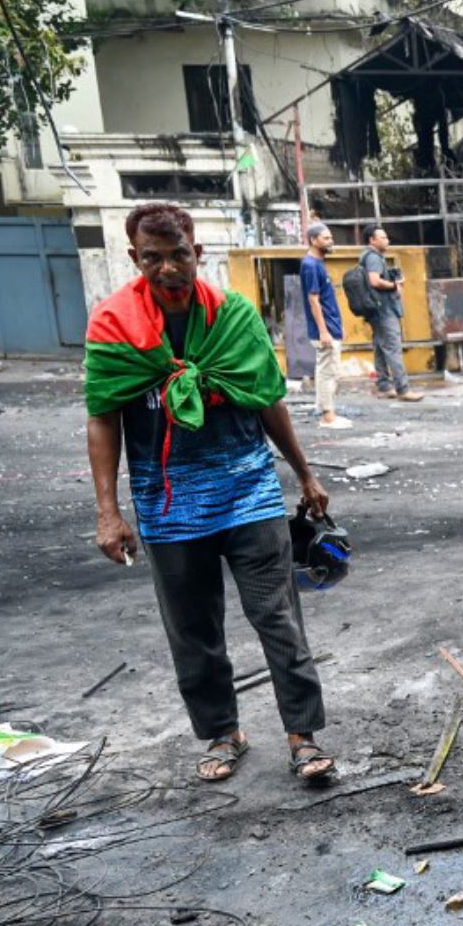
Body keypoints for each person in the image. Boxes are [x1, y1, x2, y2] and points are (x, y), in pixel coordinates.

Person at [83, 202, 338, 784]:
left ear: (198, 254)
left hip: (249, 492)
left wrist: (304, 473)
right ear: (135, 259)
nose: (168, 269)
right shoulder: (113, 325)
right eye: (154, 258)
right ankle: (224, 733)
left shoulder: (234, 317)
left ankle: (302, 735)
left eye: (179, 256)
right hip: (168, 507)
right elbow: (103, 416)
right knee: (193, 631)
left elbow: (266, 396)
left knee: (277, 617)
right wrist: (108, 512)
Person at [358, 225, 421, 403]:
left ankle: (384, 386)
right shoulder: (373, 258)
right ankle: (403, 389)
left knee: (380, 346)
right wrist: (394, 285)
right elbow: (375, 281)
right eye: (383, 238)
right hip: (383, 309)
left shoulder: (367, 256)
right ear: (372, 239)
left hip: (377, 310)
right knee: (393, 348)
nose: (387, 241)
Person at [300, 223, 351, 428]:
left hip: (331, 327)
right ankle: (327, 416)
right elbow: (314, 300)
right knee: (327, 372)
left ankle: (327, 411)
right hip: (324, 330)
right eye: (326, 238)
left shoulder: (318, 264)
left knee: (331, 371)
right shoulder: (310, 265)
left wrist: (338, 327)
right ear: (314, 240)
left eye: (331, 238)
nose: (331, 241)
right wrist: (323, 331)